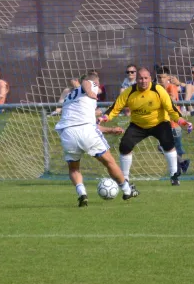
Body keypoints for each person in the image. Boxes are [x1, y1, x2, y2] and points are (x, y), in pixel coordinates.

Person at [54, 71, 139, 207]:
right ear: (96, 82)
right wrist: (89, 90)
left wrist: (110, 130)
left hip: (68, 134)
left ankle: (82, 193)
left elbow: (87, 124)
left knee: (74, 168)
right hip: (86, 131)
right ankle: (127, 190)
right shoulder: (90, 85)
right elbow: (87, 82)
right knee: (109, 162)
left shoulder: (69, 98)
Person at [100, 67, 193, 186]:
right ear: (136, 80)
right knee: (125, 146)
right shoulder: (129, 92)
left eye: (145, 78)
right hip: (138, 125)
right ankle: (125, 179)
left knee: (168, 145)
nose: (143, 81)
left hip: (159, 123)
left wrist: (183, 122)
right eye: (140, 78)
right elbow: (115, 108)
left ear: (150, 79)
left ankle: (174, 176)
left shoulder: (158, 89)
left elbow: (171, 109)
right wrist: (104, 117)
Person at [157, 70, 190, 175]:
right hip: (166, 124)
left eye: (163, 77)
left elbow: (171, 99)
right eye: (159, 77)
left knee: (166, 147)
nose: (161, 79)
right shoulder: (159, 89)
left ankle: (180, 166)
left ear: (168, 78)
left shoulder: (171, 87)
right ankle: (181, 166)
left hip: (174, 124)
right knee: (169, 148)